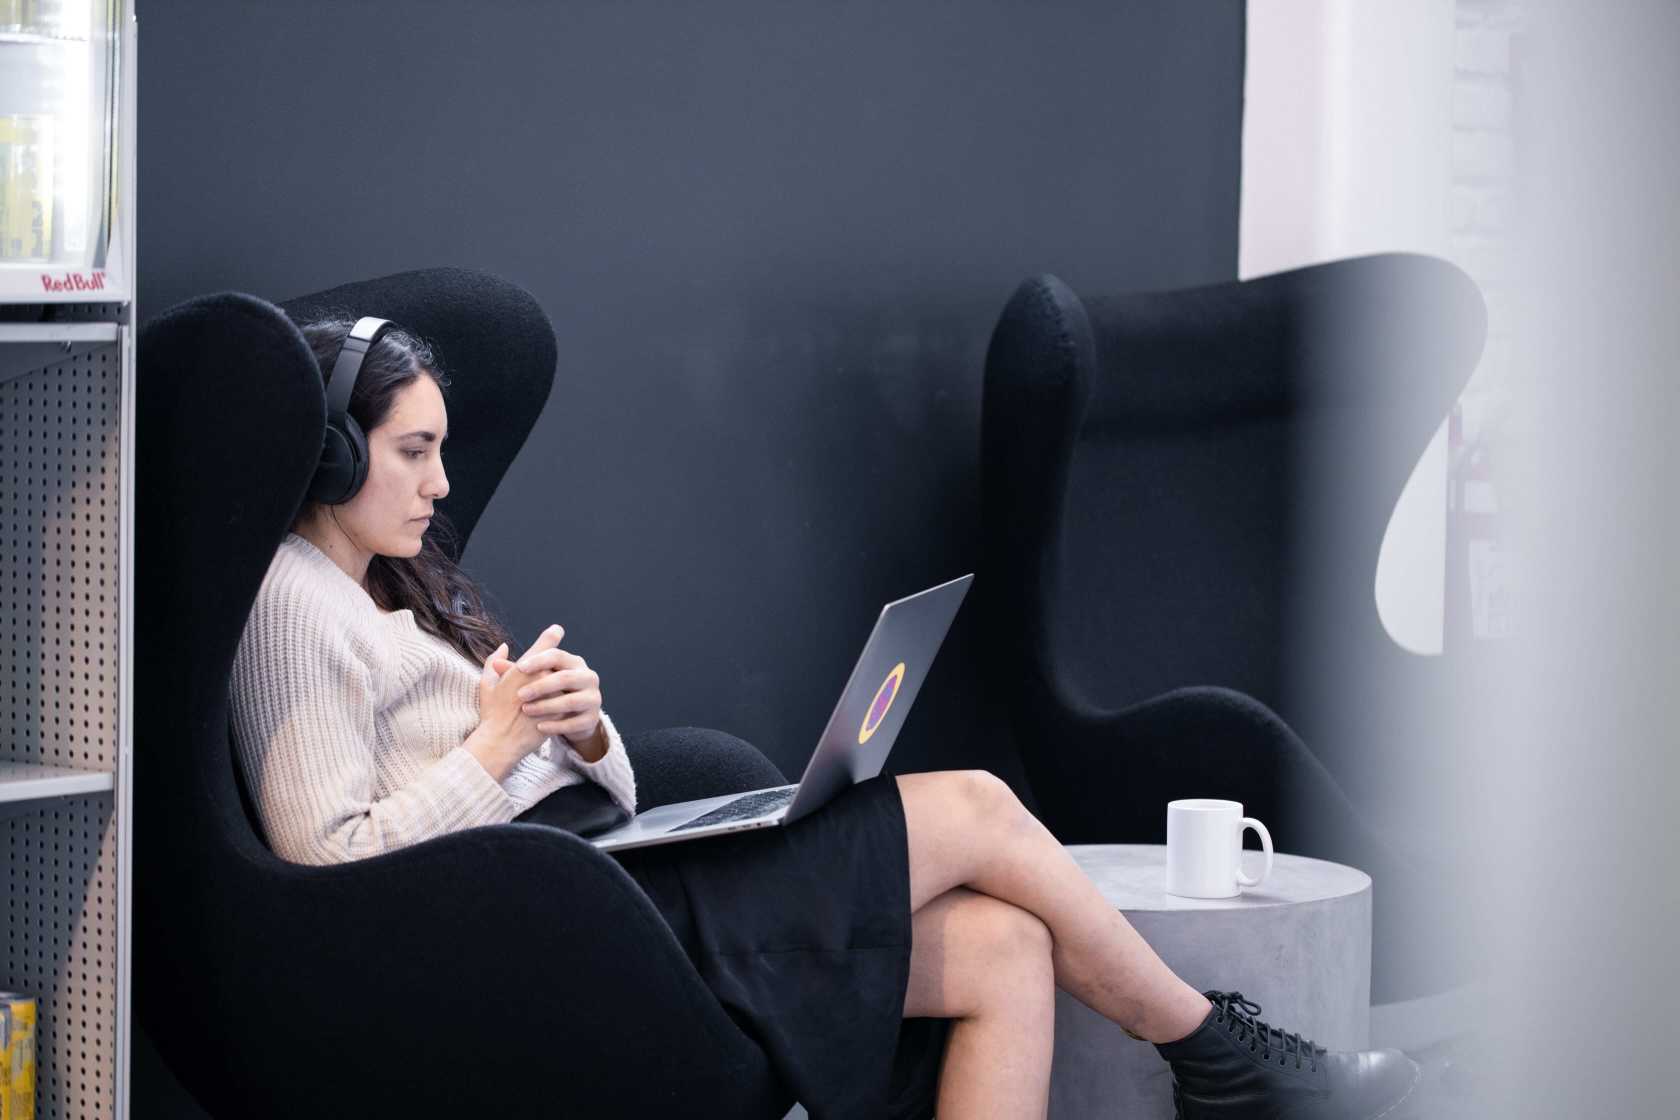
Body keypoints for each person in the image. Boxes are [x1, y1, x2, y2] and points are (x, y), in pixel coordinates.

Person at [228, 317, 1424, 1120]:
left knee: (1006, 949)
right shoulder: (295, 604)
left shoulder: (398, 582)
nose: (441, 486)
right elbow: (327, 864)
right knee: (975, 805)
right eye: (414, 452)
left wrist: (582, 734)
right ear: (334, 453)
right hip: (553, 923)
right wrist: (495, 747)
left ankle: (1226, 1065)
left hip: (602, 876)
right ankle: (1223, 1058)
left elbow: (602, 791)